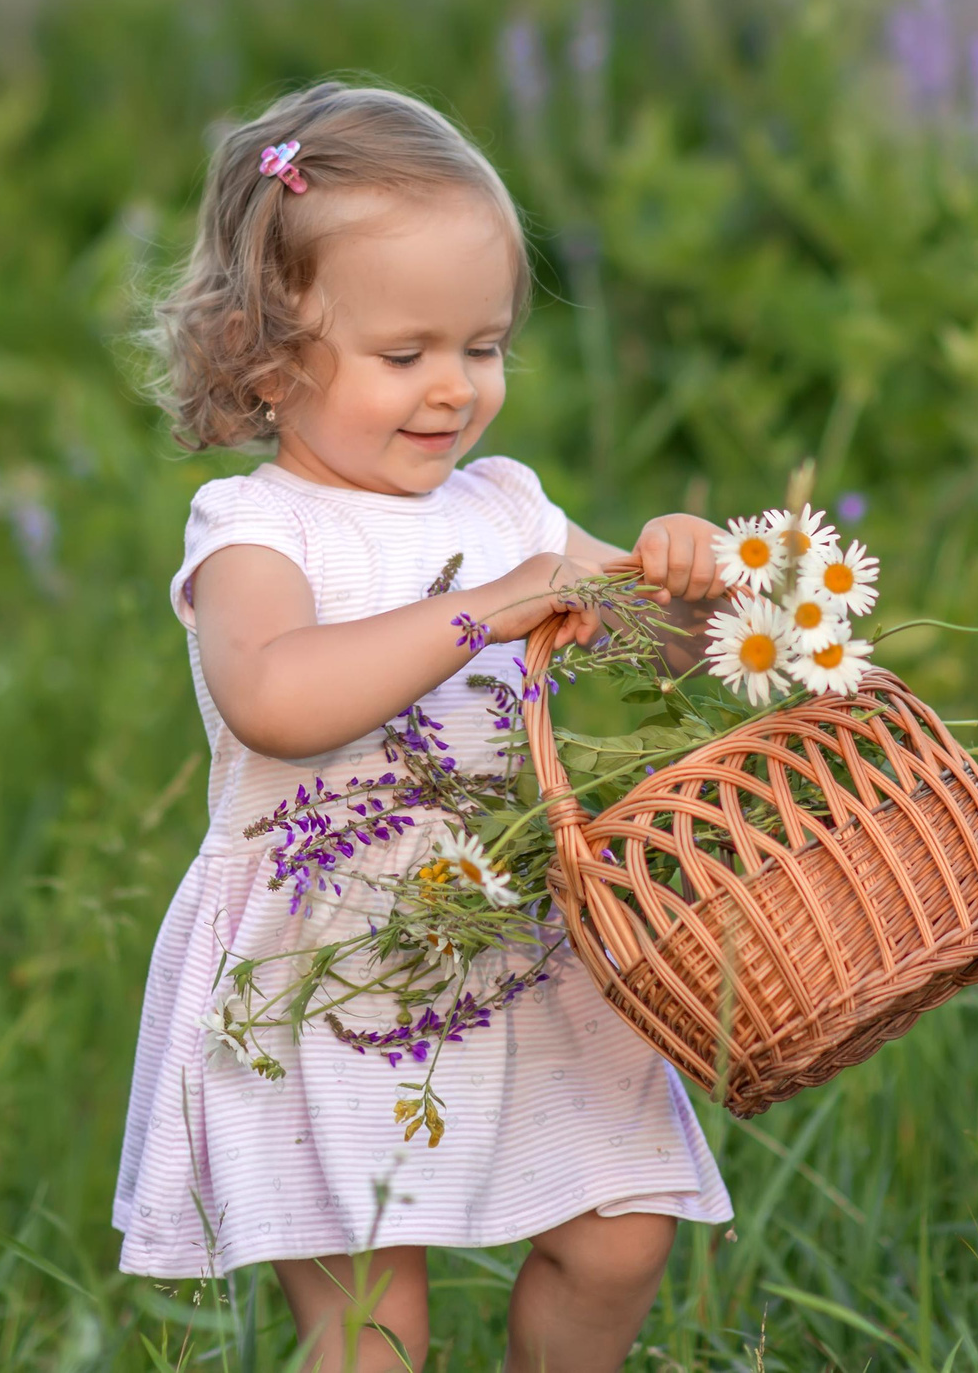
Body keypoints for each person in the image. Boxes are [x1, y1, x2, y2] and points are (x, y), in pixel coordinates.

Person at [113, 80, 734, 1370]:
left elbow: (657, 650)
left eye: (486, 347)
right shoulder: (258, 531)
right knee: (371, 1317)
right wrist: (486, 617)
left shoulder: (505, 508)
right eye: (407, 357)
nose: (454, 390)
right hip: (328, 959)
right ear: (267, 359)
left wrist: (686, 589)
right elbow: (276, 700)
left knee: (619, 1230)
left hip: (514, 933)